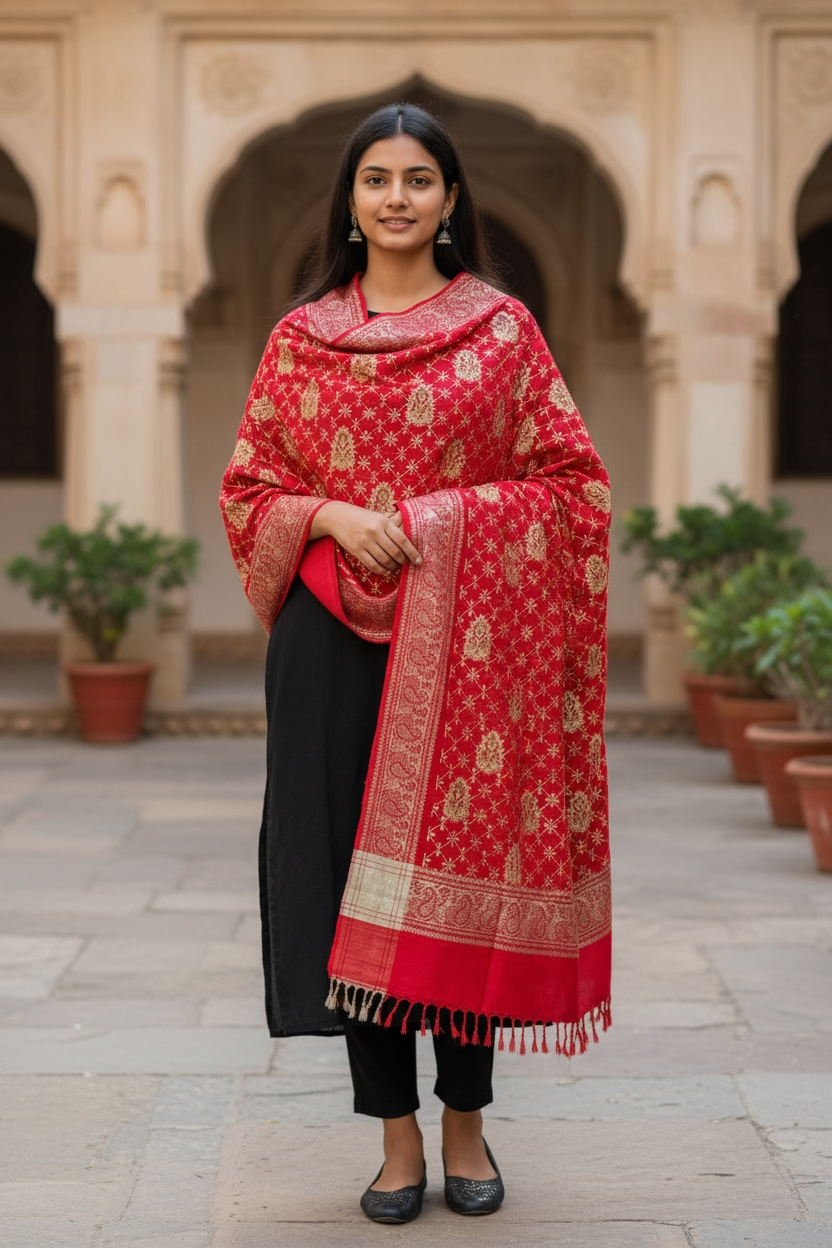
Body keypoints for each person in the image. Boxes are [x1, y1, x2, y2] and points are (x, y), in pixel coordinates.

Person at [220, 101, 612, 1225]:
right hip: (328, 639)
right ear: (349, 199)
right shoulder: (301, 339)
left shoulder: (502, 332)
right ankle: (393, 1138)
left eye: (419, 180)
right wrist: (337, 515)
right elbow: (248, 490)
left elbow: (571, 485)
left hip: (473, 644)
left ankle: (466, 1126)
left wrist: (440, 523)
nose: (396, 197)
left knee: (459, 881)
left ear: (450, 201)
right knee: (354, 887)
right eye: (376, 179)